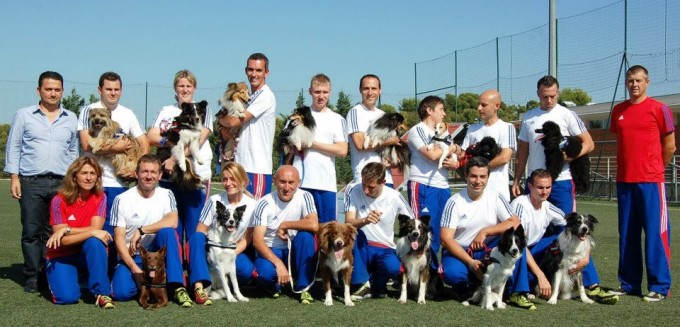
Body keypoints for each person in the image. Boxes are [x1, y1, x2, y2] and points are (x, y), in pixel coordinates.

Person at [4, 71, 78, 293]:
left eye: (57, 89)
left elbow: (73, 150)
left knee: (55, 231)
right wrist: (14, 177)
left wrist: (73, 180)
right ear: (39, 90)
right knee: (31, 231)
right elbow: (14, 146)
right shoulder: (24, 115)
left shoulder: (71, 117)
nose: (53, 93)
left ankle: (51, 274)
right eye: (48, 89)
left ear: (62, 91)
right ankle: (33, 277)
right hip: (31, 181)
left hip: (61, 183)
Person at [609, 65, 675, 302]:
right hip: (624, 182)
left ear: (647, 82)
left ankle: (659, 286)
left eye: (638, 80)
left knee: (656, 234)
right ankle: (629, 284)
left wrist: (657, 170)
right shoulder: (618, 111)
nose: (633, 84)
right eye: (630, 80)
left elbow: (670, 146)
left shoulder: (660, 109)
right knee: (627, 234)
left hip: (650, 182)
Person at [512, 169, 618, 304]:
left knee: (570, 235)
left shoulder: (547, 206)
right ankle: (522, 288)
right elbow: (517, 244)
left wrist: (585, 258)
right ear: (530, 186)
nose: (544, 191)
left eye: (548, 187)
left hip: (535, 247)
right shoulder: (520, 205)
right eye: (540, 187)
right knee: (527, 280)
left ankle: (592, 286)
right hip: (518, 250)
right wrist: (540, 275)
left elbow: (575, 225)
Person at [440, 157, 534, 310]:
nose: (478, 181)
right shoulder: (454, 202)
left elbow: (515, 222)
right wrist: (471, 263)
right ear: (466, 175)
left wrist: (485, 232)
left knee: (516, 249)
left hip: (487, 248)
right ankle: (471, 287)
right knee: (453, 273)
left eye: (482, 176)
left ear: (488, 177)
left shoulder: (495, 197)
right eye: (473, 176)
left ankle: (518, 292)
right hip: (462, 251)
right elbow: (446, 238)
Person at [109, 154, 193, 307]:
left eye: (153, 172)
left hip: (158, 257)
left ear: (160, 175)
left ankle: (177, 285)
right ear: (136, 174)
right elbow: (119, 239)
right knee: (121, 293)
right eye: (144, 172)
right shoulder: (122, 199)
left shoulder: (166, 194)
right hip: (134, 257)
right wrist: (135, 270)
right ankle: (150, 284)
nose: (149, 176)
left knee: (167, 232)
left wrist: (141, 230)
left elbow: (173, 221)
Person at [147, 69, 213, 260]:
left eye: (188, 86)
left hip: (194, 177)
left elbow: (198, 141)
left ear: (195, 88)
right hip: (169, 179)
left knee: (194, 230)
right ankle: (175, 274)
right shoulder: (166, 110)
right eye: (181, 85)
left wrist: (174, 158)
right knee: (173, 228)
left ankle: (196, 275)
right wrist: (168, 143)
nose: (184, 89)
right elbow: (151, 135)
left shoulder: (201, 109)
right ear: (175, 88)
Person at [78, 71, 150, 232]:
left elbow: (144, 143)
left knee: (118, 230)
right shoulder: (88, 110)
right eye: (109, 89)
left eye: (116, 89)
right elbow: (86, 145)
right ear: (100, 90)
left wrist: (137, 169)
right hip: (94, 182)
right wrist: (115, 148)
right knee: (93, 230)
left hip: (120, 182)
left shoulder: (128, 113)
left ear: (121, 91)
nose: (113, 93)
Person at [512, 75, 594, 214]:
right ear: (538, 94)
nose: (549, 100)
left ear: (558, 93)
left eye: (552, 96)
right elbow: (522, 151)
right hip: (535, 180)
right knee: (531, 224)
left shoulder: (568, 114)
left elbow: (589, 143)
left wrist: (569, 156)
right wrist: (516, 179)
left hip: (561, 180)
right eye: (545, 96)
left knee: (564, 225)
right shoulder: (528, 117)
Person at [46, 156, 114, 308]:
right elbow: (62, 240)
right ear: (74, 176)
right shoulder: (59, 200)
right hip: (62, 255)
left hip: (85, 251)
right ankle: (72, 277)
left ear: (98, 177)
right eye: (84, 173)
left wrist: (67, 229)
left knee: (95, 242)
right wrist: (90, 232)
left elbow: (95, 230)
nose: (88, 178)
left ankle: (102, 293)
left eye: (93, 173)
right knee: (67, 298)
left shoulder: (100, 197)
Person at [188, 162, 258, 305]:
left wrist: (229, 254)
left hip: (233, 249)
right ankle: (199, 286)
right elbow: (200, 231)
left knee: (245, 271)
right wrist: (214, 255)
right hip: (213, 249)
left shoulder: (253, 205)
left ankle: (223, 285)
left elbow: (247, 239)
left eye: (232, 179)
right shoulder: (214, 200)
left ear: (243, 181)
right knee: (195, 238)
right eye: (225, 179)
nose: (228, 183)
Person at [345, 162, 415, 300]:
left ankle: (375, 283)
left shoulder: (394, 196)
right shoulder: (353, 190)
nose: (365, 190)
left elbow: (413, 223)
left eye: (371, 187)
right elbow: (348, 222)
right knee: (354, 234)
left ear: (383, 182)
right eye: (364, 184)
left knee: (394, 269)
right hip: (361, 246)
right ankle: (362, 283)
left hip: (385, 248)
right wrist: (364, 220)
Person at [405, 95, 458, 276]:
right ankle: (415, 277)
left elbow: (455, 153)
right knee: (420, 232)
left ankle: (433, 276)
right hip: (423, 185)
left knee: (441, 232)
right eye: (441, 109)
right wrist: (451, 148)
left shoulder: (444, 133)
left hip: (443, 186)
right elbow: (434, 155)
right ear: (429, 110)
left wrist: (454, 156)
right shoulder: (418, 130)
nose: (444, 113)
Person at [251, 165, 318, 304]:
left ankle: (303, 287)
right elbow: (257, 241)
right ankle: (277, 284)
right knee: (265, 275)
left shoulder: (305, 196)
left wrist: (286, 225)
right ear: (274, 181)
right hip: (271, 249)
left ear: (298, 183)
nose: (287, 187)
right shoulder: (264, 203)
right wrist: (278, 263)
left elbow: (314, 225)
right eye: (282, 182)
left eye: (291, 182)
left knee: (305, 237)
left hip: (294, 249)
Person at [219, 53, 277, 199]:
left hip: (256, 167)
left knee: (255, 216)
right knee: (239, 215)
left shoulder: (265, 95)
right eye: (251, 70)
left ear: (266, 73)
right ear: (246, 71)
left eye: (259, 70)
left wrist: (220, 120)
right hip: (240, 165)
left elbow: (233, 121)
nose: (254, 74)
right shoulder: (250, 97)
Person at [292, 74, 348, 223]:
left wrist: (312, 144)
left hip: (326, 184)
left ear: (330, 92)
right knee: (300, 230)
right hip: (301, 184)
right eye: (317, 92)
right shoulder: (299, 115)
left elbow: (342, 150)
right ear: (310, 91)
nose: (321, 96)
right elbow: (287, 143)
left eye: (324, 92)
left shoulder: (337, 119)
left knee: (327, 231)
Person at [346, 74, 401, 186]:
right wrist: (389, 141)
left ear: (380, 90)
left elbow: (393, 150)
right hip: (366, 178)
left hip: (386, 178)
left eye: (374, 88)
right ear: (360, 90)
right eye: (366, 88)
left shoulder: (383, 115)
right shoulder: (355, 112)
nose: (370, 92)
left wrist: (393, 161)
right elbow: (361, 145)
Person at [462, 89, 516, 202]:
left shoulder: (507, 127)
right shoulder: (472, 129)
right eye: (478, 104)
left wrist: (478, 170)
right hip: (474, 195)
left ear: (497, 106)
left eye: (484, 105)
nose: (479, 108)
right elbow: (462, 155)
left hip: (497, 194)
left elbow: (504, 157)